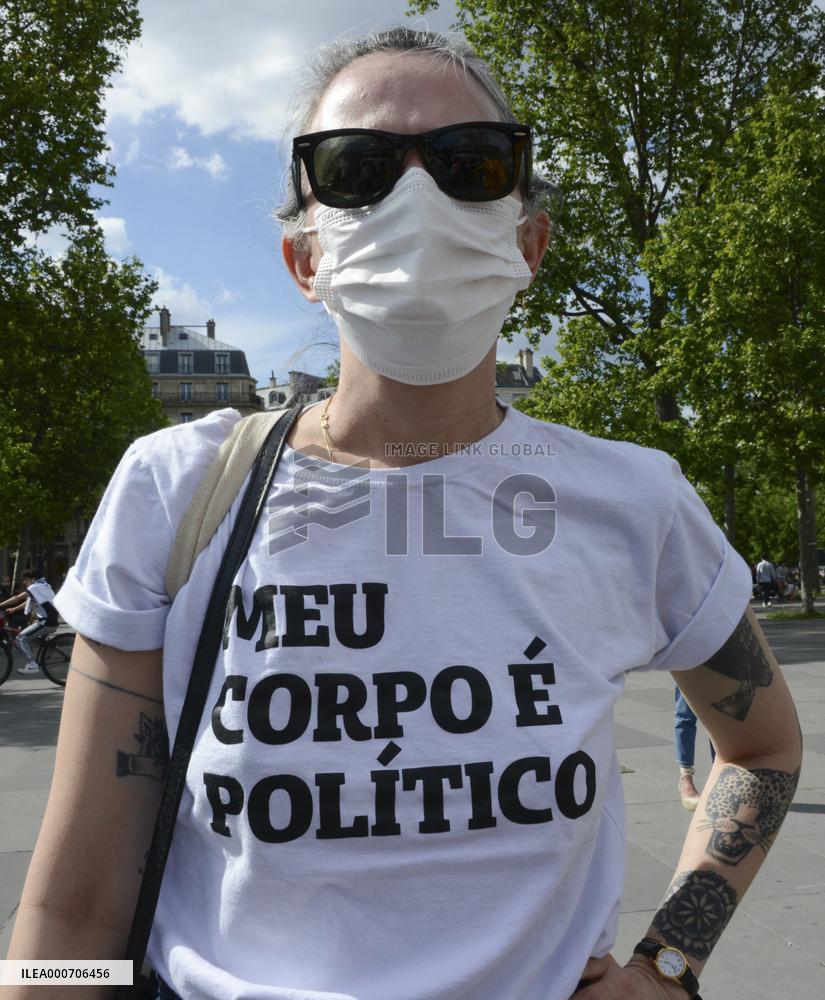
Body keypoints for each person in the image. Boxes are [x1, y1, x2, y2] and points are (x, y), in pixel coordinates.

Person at [7, 27, 802, 1000]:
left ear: (530, 242)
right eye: (358, 168)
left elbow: (762, 746)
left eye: (471, 164)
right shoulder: (174, 489)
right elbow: (66, 911)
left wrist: (672, 965)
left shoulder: (635, 502)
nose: (415, 198)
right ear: (304, 259)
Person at [0, 570, 58, 673]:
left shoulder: (34, 587)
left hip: (46, 621)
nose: (24, 583)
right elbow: (28, 602)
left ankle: (32, 665)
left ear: (33, 579)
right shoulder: (42, 586)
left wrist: (1, 605)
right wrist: (14, 609)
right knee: (28, 637)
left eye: (26, 580)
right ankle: (49, 648)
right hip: (49, 620)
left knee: (20, 639)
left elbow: (16, 598)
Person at [673, 687, 716, 811]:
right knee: (685, 714)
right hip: (687, 668)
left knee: (717, 716)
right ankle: (685, 778)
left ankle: (718, 774)